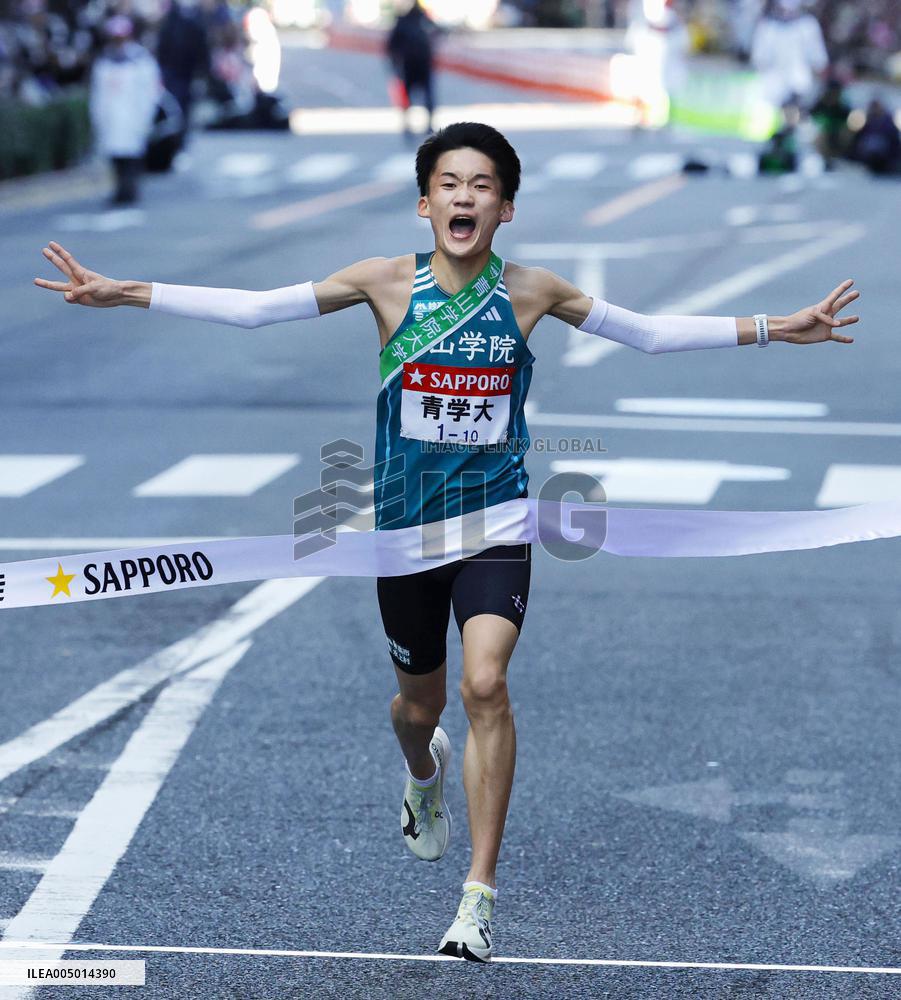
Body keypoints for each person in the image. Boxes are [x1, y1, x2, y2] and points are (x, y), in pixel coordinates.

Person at [33, 121, 861, 962]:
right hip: (403, 538)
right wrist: (122, 290)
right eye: (450, 184)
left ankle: (478, 897)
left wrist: (776, 327)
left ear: (505, 207)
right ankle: (423, 775)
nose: (465, 197)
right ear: (424, 202)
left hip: (498, 524)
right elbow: (253, 312)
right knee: (416, 708)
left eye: (483, 185)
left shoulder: (532, 292)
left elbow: (644, 332)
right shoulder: (382, 283)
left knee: (486, 685)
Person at [89, 15, 161, 206]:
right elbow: (98, 93)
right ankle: (120, 189)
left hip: (133, 116)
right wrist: (98, 116)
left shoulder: (141, 60)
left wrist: (146, 115)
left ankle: (130, 189)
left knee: (132, 156)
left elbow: (150, 91)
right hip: (112, 118)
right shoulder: (104, 61)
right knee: (116, 157)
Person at [387, 0, 438, 138]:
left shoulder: (423, 19)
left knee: (426, 97)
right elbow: (392, 46)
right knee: (410, 97)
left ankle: (426, 125)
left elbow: (437, 33)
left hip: (421, 64)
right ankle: (408, 125)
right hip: (410, 65)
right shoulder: (404, 21)